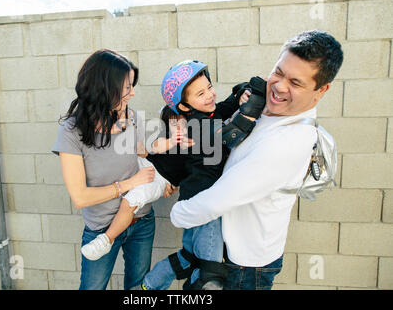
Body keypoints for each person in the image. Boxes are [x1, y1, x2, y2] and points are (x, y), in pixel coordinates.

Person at [170, 30, 344, 290]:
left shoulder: (288, 142)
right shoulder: (269, 106)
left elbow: (218, 200)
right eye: (279, 72)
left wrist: (178, 214)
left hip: (245, 266)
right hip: (227, 248)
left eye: (295, 83)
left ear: (321, 90)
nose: (279, 86)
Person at [52, 49, 174, 290]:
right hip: (100, 229)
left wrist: (165, 181)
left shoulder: (132, 118)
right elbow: (80, 197)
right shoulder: (71, 132)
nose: (132, 92)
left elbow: (144, 154)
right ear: (104, 88)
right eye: (127, 87)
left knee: (138, 290)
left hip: (141, 220)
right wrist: (129, 184)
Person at [137, 60, 263, 290]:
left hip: (195, 200)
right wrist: (253, 108)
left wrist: (242, 94)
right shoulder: (196, 123)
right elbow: (231, 134)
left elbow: (226, 106)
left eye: (209, 87)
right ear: (185, 107)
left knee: (189, 257)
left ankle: (149, 286)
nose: (209, 95)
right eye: (200, 94)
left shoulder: (209, 113)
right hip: (206, 204)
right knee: (210, 274)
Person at [80, 106, 193, 261]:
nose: (179, 128)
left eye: (183, 123)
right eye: (174, 124)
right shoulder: (166, 138)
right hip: (145, 163)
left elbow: (191, 174)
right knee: (122, 164)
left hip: (159, 180)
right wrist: (172, 141)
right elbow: (155, 147)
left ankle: (106, 239)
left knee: (130, 201)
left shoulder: (196, 146)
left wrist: (174, 185)